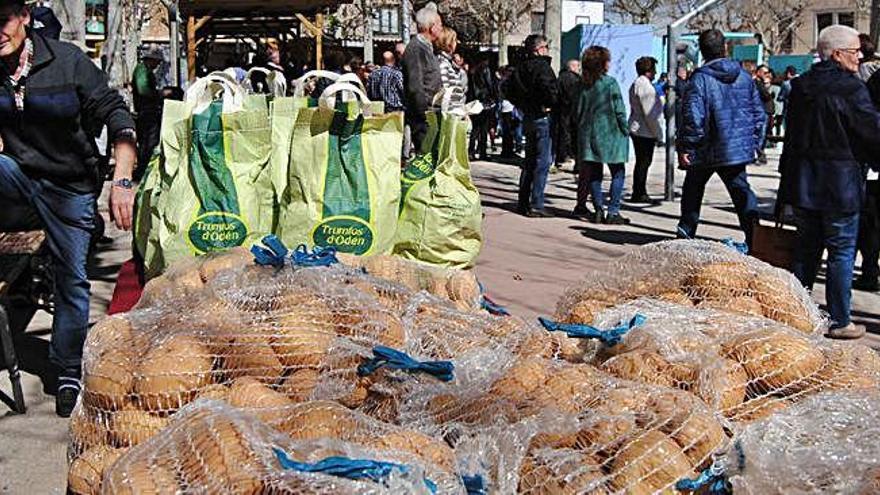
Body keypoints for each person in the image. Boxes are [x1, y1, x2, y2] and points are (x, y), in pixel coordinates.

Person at [0, 0, 137, 416]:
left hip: (70, 187)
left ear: (23, 16)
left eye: (1, 21)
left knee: (71, 278)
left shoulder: (67, 61)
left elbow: (116, 113)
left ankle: (66, 370)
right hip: (20, 178)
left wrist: (123, 180)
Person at [779, 25, 880, 339]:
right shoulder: (851, 89)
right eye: (853, 51)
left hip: (805, 184)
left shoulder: (800, 87)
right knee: (841, 252)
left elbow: (790, 139)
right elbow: (872, 132)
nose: (859, 56)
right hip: (841, 185)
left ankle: (800, 313)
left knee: (806, 251)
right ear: (837, 54)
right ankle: (839, 320)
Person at [676, 29, 763, 248]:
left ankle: (685, 236)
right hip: (733, 148)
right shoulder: (744, 77)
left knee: (693, 191)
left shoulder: (700, 79)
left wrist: (687, 145)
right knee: (742, 192)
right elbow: (758, 113)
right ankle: (756, 238)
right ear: (725, 47)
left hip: (706, 148)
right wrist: (755, 143)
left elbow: (693, 117)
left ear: (702, 51)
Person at [573, 46, 629, 225]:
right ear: (603, 63)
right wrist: (625, 129)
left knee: (594, 174)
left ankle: (598, 210)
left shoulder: (581, 85)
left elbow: (577, 111)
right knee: (618, 173)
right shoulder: (610, 83)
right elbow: (619, 110)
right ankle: (613, 211)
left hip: (588, 135)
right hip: (610, 134)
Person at [510, 34, 558, 217]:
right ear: (539, 49)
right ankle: (536, 202)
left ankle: (523, 201)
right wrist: (549, 103)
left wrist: (523, 105)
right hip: (541, 116)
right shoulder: (542, 67)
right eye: (546, 46)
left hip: (528, 116)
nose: (548, 50)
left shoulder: (520, 68)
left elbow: (509, 89)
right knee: (543, 161)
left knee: (529, 161)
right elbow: (550, 89)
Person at [401, 2, 442, 156]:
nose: (441, 28)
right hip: (424, 117)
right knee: (426, 157)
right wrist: (424, 114)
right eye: (439, 24)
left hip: (432, 115)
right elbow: (415, 86)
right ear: (430, 26)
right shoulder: (416, 48)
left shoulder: (426, 47)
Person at [627, 56, 663, 203]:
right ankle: (639, 192)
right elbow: (650, 114)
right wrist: (658, 134)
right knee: (643, 162)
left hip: (639, 128)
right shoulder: (645, 86)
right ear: (649, 70)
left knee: (642, 162)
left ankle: (639, 191)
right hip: (644, 130)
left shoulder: (638, 84)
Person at [131, 46, 163, 179]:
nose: (158, 65)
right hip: (146, 112)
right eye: (157, 62)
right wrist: (160, 94)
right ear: (151, 60)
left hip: (147, 111)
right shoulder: (142, 71)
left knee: (147, 143)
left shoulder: (145, 70)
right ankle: (143, 171)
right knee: (148, 143)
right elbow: (143, 90)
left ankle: (144, 170)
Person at [554, 59, 582, 170]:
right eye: (578, 67)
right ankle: (576, 163)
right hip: (573, 111)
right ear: (573, 67)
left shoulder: (560, 78)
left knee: (561, 134)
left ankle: (559, 158)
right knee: (574, 137)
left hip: (562, 111)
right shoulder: (576, 80)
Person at [468, 59, 498, 160]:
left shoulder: (472, 73)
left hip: (475, 102)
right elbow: (489, 85)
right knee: (484, 128)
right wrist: (493, 97)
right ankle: (482, 152)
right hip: (485, 101)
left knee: (475, 129)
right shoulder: (486, 70)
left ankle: (471, 151)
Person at [436, 27, 467, 109]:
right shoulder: (443, 64)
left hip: (455, 110)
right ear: (449, 42)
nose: (457, 42)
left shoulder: (449, 63)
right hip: (450, 113)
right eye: (455, 40)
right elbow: (446, 92)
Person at [753, 64, 774, 164]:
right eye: (765, 73)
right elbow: (766, 96)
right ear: (758, 72)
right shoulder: (757, 83)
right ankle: (759, 154)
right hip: (762, 111)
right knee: (760, 134)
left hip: (767, 112)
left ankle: (760, 154)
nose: (767, 75)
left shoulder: (760, 83)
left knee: (764, 134)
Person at [775, 65, 797, 136]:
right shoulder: (801, 81)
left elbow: (781, 97)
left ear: (788, 73)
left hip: (788, 107)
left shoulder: (786, 84)